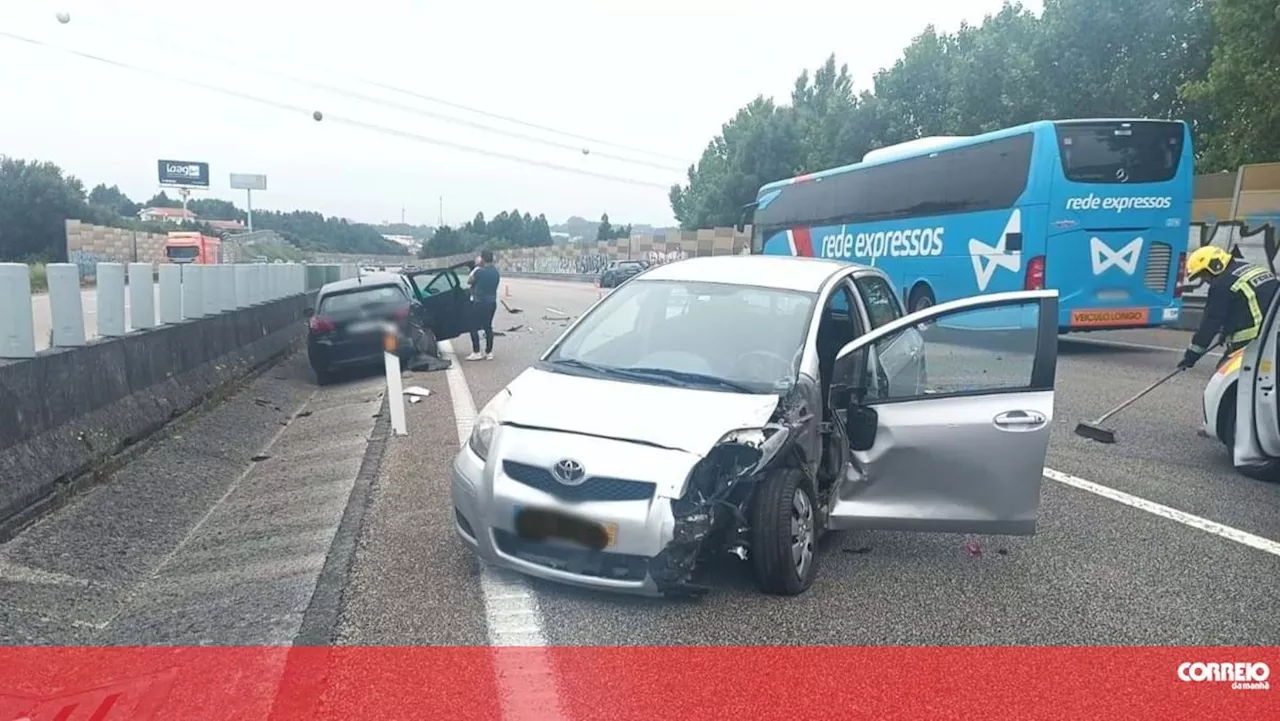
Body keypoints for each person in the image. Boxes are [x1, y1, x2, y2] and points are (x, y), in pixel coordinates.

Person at [1178, 245, 1279, 370]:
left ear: (1215, 266)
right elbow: (1243, 304)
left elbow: (1210, 322)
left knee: (1224, 371)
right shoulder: (1247, 268)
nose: (1205, 280)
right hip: (1273, 330)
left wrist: (1191, 356)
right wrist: (1227, 332)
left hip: (1255, 337)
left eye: (1204, 275)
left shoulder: (1222, 284)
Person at [467, 250, 501, 360]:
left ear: (482, 259)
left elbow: (469, 281)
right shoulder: (496, 272)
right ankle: (489, 352)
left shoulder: (479, 272)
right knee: (488, 327)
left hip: (479, 303)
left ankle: (476, 352)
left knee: (472, 326)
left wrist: (476, 267)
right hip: (491, 303)